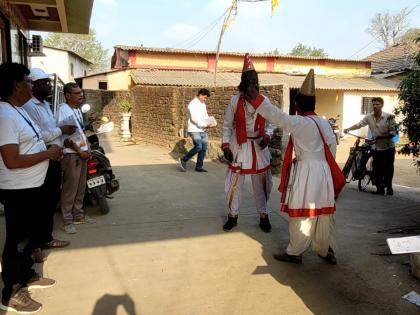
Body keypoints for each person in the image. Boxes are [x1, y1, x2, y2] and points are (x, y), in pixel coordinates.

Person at [256, 68, 338, 265]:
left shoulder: (299, 122)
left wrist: (255, 96)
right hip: (323, 171)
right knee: (322, 214)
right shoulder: (324, 123)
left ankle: (295, 252)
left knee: (301, 212)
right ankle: (325, 249)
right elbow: (332, 150)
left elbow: (275, 116)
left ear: (298, 104)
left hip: (306, 171)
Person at [0, 62, 61, 314]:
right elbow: (12, 160)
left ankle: (26, 275)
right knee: (18, 240)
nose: (31, 85)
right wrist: (48, 154)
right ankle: (12, 292)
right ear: (16, 85)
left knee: (29, 238)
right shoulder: (4, 116)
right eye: (27, 81)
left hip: (32, 186)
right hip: (18, 189)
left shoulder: (17, 110)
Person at [23, 68, 75, 256]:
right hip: (41, 159)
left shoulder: (44, 105)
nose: (49, 86)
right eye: (45, 83)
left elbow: (51, 130)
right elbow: (40, 136)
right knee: (43, 202)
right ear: (34, 85)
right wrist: (61, 131)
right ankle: (40, 241)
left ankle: (44, 238)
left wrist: (62, 142)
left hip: (53, 156)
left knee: (50, 199)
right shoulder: (30, 107)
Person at [221, 54, 273, 233]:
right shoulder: (235, 101)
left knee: (261, 184)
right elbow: (227, 125)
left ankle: (264, 216)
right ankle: (232, 216)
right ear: (243, 82)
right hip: (239, 146)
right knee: (235, 183)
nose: (254, 83)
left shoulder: (264, 101)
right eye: (250, 80)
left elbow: (272, 122)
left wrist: (267, 134)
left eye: (256, 80)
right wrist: (226, 146)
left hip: (259, 148)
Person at [57, 82, 95, 234]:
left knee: (80, 188)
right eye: (77, 93)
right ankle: (67, 220)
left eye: (81, 92)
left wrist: (87, 147)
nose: (81, 95)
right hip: (72, 155)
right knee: (70, 189)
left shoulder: (77, 110)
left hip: (82, 153)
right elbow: (66, 139)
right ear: (67, 95)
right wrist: (80, 151)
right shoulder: (64, 111)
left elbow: (79, 131)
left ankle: (78, 215)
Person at [344, 97, 397, 196]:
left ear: (382, 105)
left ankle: (389, 188)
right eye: (374, 104)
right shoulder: (369, 117)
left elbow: (393, 133)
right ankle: (380, 189)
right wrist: (348, 129)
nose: (375, 106)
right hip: (376, 147)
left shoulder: (389, 117)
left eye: (378, 104)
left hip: (388, 147)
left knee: (388, 168)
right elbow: (359, 124)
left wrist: (380, 137)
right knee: (377, 168)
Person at [180, 88, 214, 172]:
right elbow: (194, 118)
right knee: (198, 146)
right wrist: (204, 124)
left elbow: (205, 116)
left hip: (203, 129)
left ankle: (199, 167)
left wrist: (211, 122)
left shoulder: (203, 104)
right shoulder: (192, 104)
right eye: (204, 98)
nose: (205, 100)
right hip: (194, 129)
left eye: (206, 98)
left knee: (203, 148)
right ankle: (184, 159)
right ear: (200, 95)